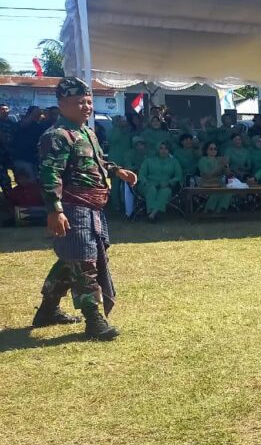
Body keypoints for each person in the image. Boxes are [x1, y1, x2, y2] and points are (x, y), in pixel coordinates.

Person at [32, 77, 137, 338]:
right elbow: (50, 175)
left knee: (72, 260)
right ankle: (94, 320)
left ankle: (47, 310)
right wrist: (55, 210)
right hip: (73, 207)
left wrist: (117, 171)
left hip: (94, 208)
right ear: (62, 104)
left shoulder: (87, 132)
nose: (86, 106)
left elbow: (97, 163)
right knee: (84, 260)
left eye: (89, 101)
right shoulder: (56, 136)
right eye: (80, 102)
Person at [138, 141, 183, 222]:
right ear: (157, 150)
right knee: (152, 189)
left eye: (166, 148)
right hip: (148, 185)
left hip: (165, 185)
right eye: (161, 148)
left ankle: (152, 214)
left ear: (169, 150)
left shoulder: (174, 162)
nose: (163, 150)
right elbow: (141, 174)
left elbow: (178, 176)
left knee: (165, 192)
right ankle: (151, 212)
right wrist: (146, 183)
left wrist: (169, 182)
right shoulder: (149, 160)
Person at [197, 141, 232, 213]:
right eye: (211, 149)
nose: (214, 150)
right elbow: (208, 175)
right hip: (206, 183)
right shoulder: (203, 160)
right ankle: (209, 210)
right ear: (206, 151)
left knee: (229, 191)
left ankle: (221, 210)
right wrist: (220, 165)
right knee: (219, 191)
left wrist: (226, 165)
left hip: (219, 184)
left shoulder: (219, 159)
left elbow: (228, 175)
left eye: (215, 149)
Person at [0, 103, 16, 195]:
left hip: (10, 153)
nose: (4, 111)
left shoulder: (12, 122)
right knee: (4, 177)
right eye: (2, 109)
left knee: (17, 174)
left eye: (6, 109)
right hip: (1, 153)